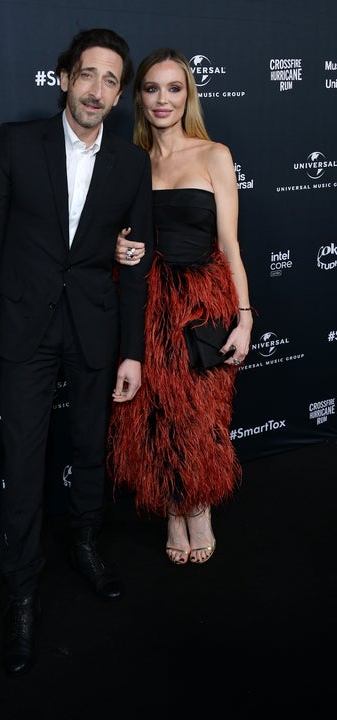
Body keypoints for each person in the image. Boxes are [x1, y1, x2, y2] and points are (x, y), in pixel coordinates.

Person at [0, 28, 154, 675]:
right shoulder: (16, 143)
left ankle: (85, 543)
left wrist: (132, 351)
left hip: (95, 327)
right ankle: (21, 592)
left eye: (111, 80)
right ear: (65, 78)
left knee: (89, 448)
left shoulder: (131, 163)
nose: (97, 90)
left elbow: (135, 264)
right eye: (88, 75)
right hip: (22, 329)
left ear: (119, 95)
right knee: (23, 460)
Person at [108, 48, 253, 566]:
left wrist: (245, 317)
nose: (162, 99)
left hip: (201, 304)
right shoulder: (129, 162)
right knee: (155, 414)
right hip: (146, 304)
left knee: (201, 413)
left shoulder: (214, 154)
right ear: (139, 98)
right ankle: (173, 509)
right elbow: (120, 237)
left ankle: (200, 507)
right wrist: (118, 248)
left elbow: (230, 244)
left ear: (188, 95)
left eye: (174, 88)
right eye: (151, 89)